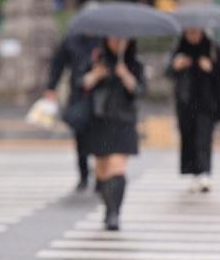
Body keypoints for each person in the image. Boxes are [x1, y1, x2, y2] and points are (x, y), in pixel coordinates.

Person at [82, 37, 145, 231]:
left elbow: (140, 91)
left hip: (124, 121)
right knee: (102, 170)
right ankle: (109, 207)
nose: (118, 42)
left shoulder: (134, 64)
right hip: (99, 121)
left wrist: (126, 75)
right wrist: (95, 75)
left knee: (117, 167)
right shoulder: (95, 60)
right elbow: (80, 85)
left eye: (122, 39)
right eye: (114, 37)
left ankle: (113, 214)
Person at [167, 29, 220, 193]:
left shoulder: (212, 49)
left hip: (206, 103)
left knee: (203, 138)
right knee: (188, 138)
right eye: (190, 33)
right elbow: (168, 72)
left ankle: (205, 172)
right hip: (185, 103)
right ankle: (194, 173)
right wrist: (177, 65)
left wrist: (211, 68)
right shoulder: (180, 50)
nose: (193, 36)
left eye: (195, 33)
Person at [44, 34, 101, 191]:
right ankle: (83, 175)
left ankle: (101, 176)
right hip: (78, 95)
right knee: (80, 137)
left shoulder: (103, 39)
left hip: (101, 96)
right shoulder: (71, 40)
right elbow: (58, 64)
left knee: (100, 138)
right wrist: (51, 87)